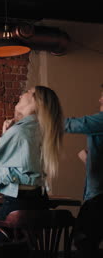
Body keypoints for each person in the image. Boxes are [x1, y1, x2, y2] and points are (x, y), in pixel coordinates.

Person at [0, 86, 64, 243]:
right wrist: (6, 135)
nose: (21, 93)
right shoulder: (42, 130)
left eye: (28, 91)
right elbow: (17, 162)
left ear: (38, 103)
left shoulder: (20, 132)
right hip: (38, 202)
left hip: (16, 205)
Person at [65, 84, 103, 258]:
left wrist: (41, 114)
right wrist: (89, 160)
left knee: (84, 241)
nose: (100, 100)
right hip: (97, 194)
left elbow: (72, 125)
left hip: (98, 196)